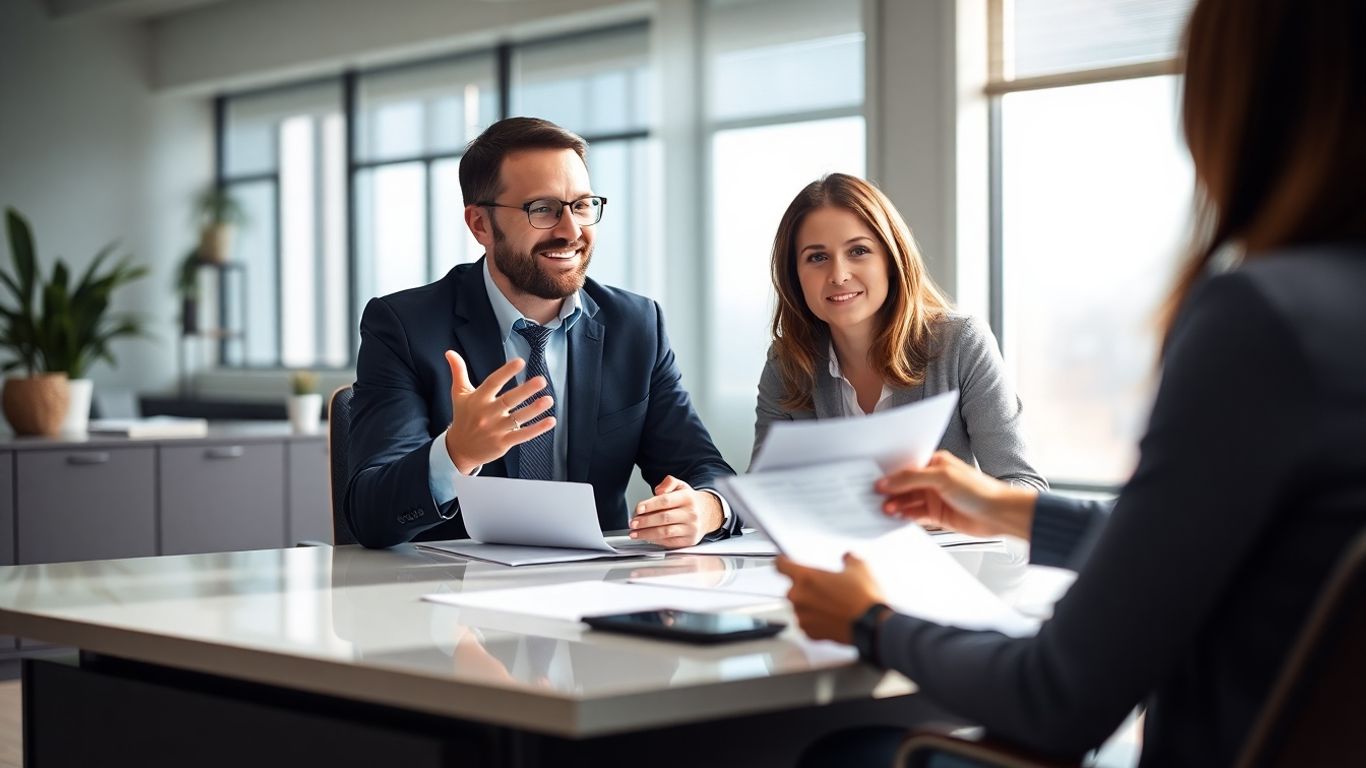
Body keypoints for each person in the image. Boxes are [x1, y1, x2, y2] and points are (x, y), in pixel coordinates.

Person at [776, 0, 1366, 764]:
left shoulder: (1264, 321)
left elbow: (1056, 697)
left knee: (842, 754)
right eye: (814, 258)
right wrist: (1012, 509)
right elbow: (1194, 552)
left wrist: (869, 623)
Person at [346, 117, 739, 550]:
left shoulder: (636, 325)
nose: (571, 231)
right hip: (451, 594)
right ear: (480, 225)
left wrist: (705, 508)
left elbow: (704, 468)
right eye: (543, 209)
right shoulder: (405, 327)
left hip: (596, 589)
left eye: (583, 205)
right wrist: (456, 453)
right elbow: (369, 515)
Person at [754, 173, 1045, 492]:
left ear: (891, 260)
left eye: (858, 251)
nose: (838, 275)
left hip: (940, 541)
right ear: (795, 276)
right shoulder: (787, 365)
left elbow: (1026, 486)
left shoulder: (961, 344)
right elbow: (764, 493)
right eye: (817, 257)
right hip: (835, 543)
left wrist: (946, 510)